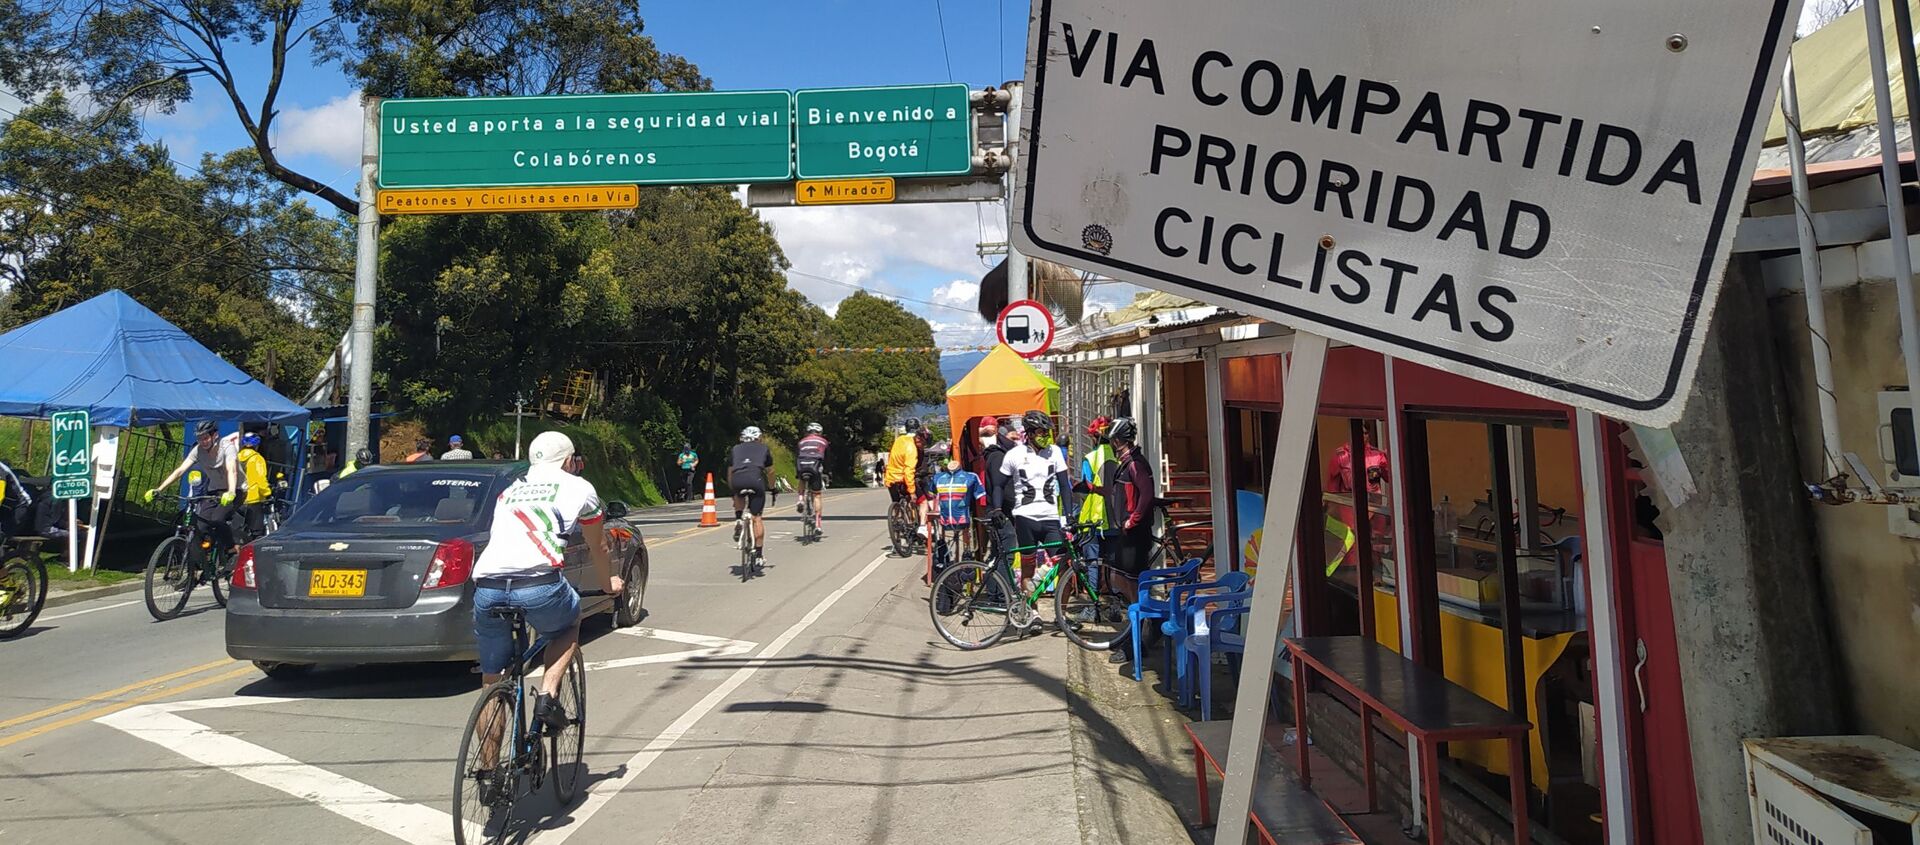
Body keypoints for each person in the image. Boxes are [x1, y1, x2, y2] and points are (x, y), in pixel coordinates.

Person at [468, 431, 621, 793]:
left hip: (487, 588)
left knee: (493, 679)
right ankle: (549, 697)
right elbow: (598, 545)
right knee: (569, 622)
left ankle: (490, 776)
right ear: (568, 461)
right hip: (538, 585)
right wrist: (608, 582)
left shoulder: (510, 490)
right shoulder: (579, 487)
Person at [1103, 417, 1161, 665]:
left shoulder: (1136, 464)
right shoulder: (1125, 463)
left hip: (1135, 533)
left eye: (1114, 440)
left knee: (1133, 584)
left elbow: (1147, 494)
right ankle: (1150, 619)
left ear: (1119, 440)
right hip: (1126, 533)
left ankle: (1135, 641)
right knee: (1118, 578)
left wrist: (1133, 519)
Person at [996, 411, 1073, 592]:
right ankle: (1031, 612)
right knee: (1028, 569)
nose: (1046, 436)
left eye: (1048, 433)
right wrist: (997, 509)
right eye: (1041, 432)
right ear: (1029, 434)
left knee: (1065, 566)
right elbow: (998, 485)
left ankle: (1060, 615)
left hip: (1050, 517)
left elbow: (1064, 485)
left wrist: (1069, 515)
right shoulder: (1014, 454)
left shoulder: (1054, 452)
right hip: (1025, 518)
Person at [145, 421, 240, 560]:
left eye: (206, 437)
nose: (203, 441)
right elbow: (180, 470)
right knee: (201, 524)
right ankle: (210, 554)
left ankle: (231, 547)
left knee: (218, 518)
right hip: (215, 491)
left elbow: (232, 470)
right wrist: (159, 489)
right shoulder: (198, 451)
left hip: (235, 489)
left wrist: (231, 491)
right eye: (199, 438)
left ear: (215, 435)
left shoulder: (227, 447)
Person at [931, 451, 986, 575]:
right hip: (944, 522)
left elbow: (980, 497)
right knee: (946, 554)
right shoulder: (937, 478)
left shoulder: (971, 477)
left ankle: (965, 578)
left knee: (964, 553)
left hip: (964, 521)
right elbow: (933, 495)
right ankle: (949, 577)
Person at [729, 426, 772, 568]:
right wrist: (773, 488)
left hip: (738, 479)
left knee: (738, 494)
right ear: (758, 438)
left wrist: (732, 490)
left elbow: (730, 471)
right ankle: (759, 554)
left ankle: (738, 519)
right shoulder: (764, 449)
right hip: (755, 480)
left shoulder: (735, 449)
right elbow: (770, 472)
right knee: (757, 518)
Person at [1077, 416, 1119, 559]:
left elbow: (1086, 485)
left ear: (1095, 437)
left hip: (1094, 518)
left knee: (1092, 563)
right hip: (1115, 517)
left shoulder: (1090, 458)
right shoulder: (1119, 458)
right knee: (1113, 563)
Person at [883, 418, 924, 518]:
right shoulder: (912, 445)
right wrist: (912, 491)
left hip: (890, 478)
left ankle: (897, 519)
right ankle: (919, 524)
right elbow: (908, 470)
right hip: (903, 478)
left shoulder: (899, 440)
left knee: (896, 502)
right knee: (922, 500)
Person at [236, 432, 271, 546]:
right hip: (253, 499)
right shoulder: (257, 459)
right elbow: (260, 480)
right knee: (257, 532)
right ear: (257, 445)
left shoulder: (236, 457)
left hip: (238, 498)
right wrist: (267, 493)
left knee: (238, 529)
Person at [795, 423, 829, 522]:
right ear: (820, 432)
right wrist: (827, 472)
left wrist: (797, 473)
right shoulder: (823, 442)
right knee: (817, 495)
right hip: (815, 467)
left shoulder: (801, 442)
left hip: (802, 465)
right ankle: (818, 524)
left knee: (801, 479)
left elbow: (797, 456)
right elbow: (827, 459)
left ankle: (800, 499)